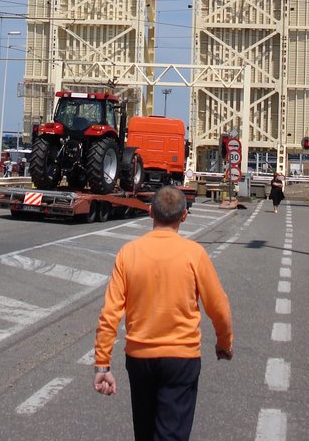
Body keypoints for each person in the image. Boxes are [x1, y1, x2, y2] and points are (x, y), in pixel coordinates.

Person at [93, 186, 233, 441]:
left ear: (149, 212)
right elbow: (219, 307)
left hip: (139, 358)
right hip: (182, 358)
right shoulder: (195, 254)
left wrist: (102, 362)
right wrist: (224, 344)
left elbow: (110, 312)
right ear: (184, 216)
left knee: (145, 433)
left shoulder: (129, 253)